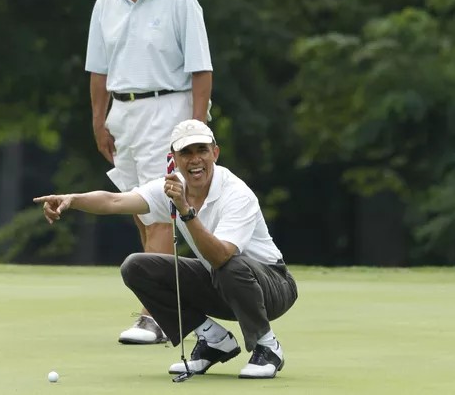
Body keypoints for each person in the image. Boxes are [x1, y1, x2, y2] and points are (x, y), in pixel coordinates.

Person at [34, 119, 298, 379]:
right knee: (136, 267)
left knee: (229, 265)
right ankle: (213, 339)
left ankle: (267, 346)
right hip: (223, 282)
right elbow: (115, 201)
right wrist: (72, 200)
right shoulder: (170, 187)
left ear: (215, 153)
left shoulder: (237, 193)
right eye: (186, 152)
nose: (195, 159)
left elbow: (220, 255)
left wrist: (185, 211)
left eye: (202, 150)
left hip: (272, 286)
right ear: (174, 158)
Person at [85, 0, 213, 344]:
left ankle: (153, 316)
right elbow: (98, 69)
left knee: (158, 209)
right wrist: (98, 119)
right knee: (140, 211)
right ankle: (166, 305)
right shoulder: (107, 0)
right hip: (124, 114)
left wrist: (196, 129)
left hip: (168, 110)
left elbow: (201, 70)